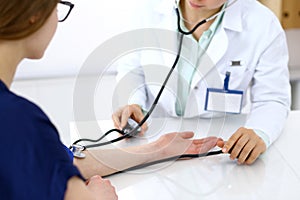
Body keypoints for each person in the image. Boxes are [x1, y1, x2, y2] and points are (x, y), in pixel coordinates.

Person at [0, 1, 221, 199]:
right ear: (34, 15)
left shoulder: (18, 125)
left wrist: (160, 149)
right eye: (57, 8)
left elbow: (63, 162)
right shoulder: (20, 121)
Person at [112, 0, 291, 165]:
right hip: (155, 143)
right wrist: (134, 103)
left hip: (221, 152)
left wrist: (260, 131)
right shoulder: (148, 10)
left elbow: (272, 98)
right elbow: (131, 68)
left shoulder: (263, 24)